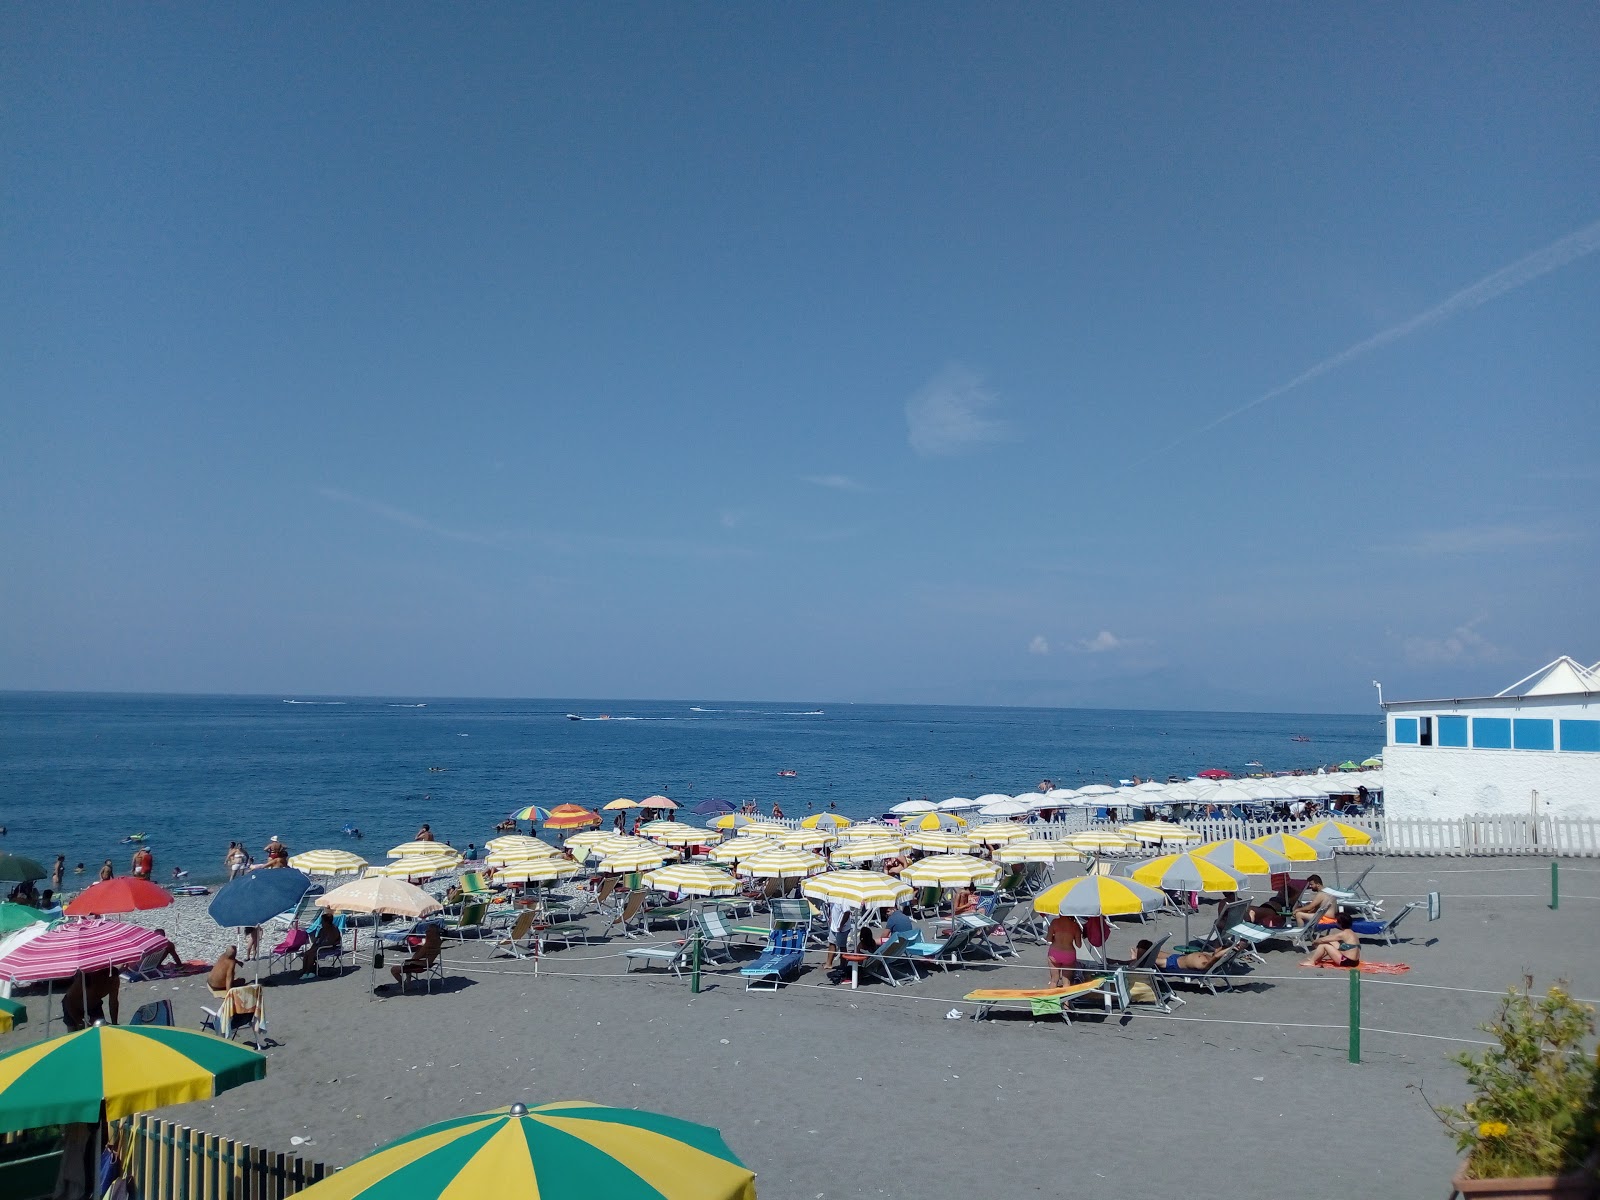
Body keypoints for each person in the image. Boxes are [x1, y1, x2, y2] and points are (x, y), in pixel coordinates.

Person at [300, 912, 343, 979]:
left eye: (322, 921)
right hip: (321, 947)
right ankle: (304, 971)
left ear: (327, 922)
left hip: (331, 948)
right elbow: (317, 940)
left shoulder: (334, 930)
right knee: (307, 953)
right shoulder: (322, 930)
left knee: (311, 954)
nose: (321, 923)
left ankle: (308, 972)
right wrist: (313, 948)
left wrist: (317, 947)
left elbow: (331, 942)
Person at [1046, 913, 1082, 986]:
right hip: (1068, 954)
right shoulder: (1075, 925)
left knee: (1053, 980)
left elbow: (1048, 939)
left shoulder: (1054, 922)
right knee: (1067, 982)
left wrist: (1055, 938)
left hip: (1055, 952)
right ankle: (1066, 997)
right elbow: (1079, 945)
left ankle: (1052, 996)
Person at [823, 902, 853, 971]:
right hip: (834, 926)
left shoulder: (843, 900)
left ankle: (843, 965)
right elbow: (832, 909)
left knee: (842, 946)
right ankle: (828, 963)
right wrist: (830, 917)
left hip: (842, 928)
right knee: (831, 943)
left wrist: (841, 925)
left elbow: (847, 913)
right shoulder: (833, 899)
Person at [1162, 946, 1231, 972]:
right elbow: (1217, 954)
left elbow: (1216, 956)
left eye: (1221, 949)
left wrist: (1229, 948)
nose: (1217, 948)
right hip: (1177, 957)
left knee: (1152, 960)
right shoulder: (1209, 955)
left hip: (1173, 963)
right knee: (1153, 950)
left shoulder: (1208, 963)